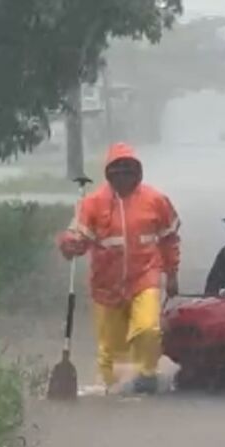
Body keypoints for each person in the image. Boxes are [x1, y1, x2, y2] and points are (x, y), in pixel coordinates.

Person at [58, 143, 181, 394]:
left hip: (144, 277)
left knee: (148, 328)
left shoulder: (156, 200)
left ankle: (147, 375)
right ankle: (112, 390)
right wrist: (69, 245)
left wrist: (172, 273)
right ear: (108, 173)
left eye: (129, 171)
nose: (123, 176)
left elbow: (169, 239)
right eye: (118, 171)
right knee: (111, 349)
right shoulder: (92, 204)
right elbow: (78, 239)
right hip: (106, 285)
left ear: (138, 172)